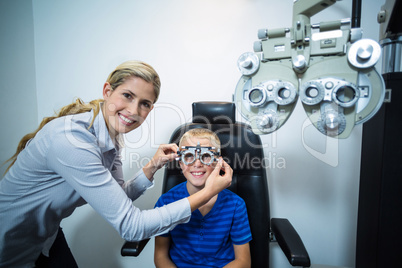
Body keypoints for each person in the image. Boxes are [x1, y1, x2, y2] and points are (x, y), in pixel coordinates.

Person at [0, 60, 233, 267]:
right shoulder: (71, 141)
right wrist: (208, 192)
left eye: (144, 103)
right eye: (127, 96)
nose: (133, 111)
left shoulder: (110, 138)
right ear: (107, 91)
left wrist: (152, 166)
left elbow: (120, 196)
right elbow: (132, 226)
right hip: (11, 243)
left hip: (47, 237)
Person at [154, 128, 252, 268]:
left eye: (206, 156)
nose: (197, 163)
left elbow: (243, 261)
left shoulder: (235, 204)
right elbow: (160, 256)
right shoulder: (166, 202)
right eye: (188, 155)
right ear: (180, 163)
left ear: (217, 162)